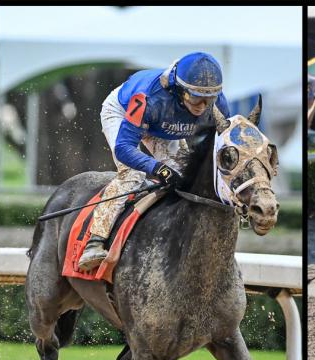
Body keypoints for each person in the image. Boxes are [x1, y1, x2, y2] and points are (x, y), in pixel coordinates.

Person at [78, 52, 231, 271]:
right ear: (179, 90)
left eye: (209, 99)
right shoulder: (149, 97)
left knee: (186, 177)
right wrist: (156, 167)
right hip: (123, 115)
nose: (202, 106)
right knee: (133, 174)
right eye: (195, 98)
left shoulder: (216, 104)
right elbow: (124, 148)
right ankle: (95, 240)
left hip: (162, 127)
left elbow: (220, 146)